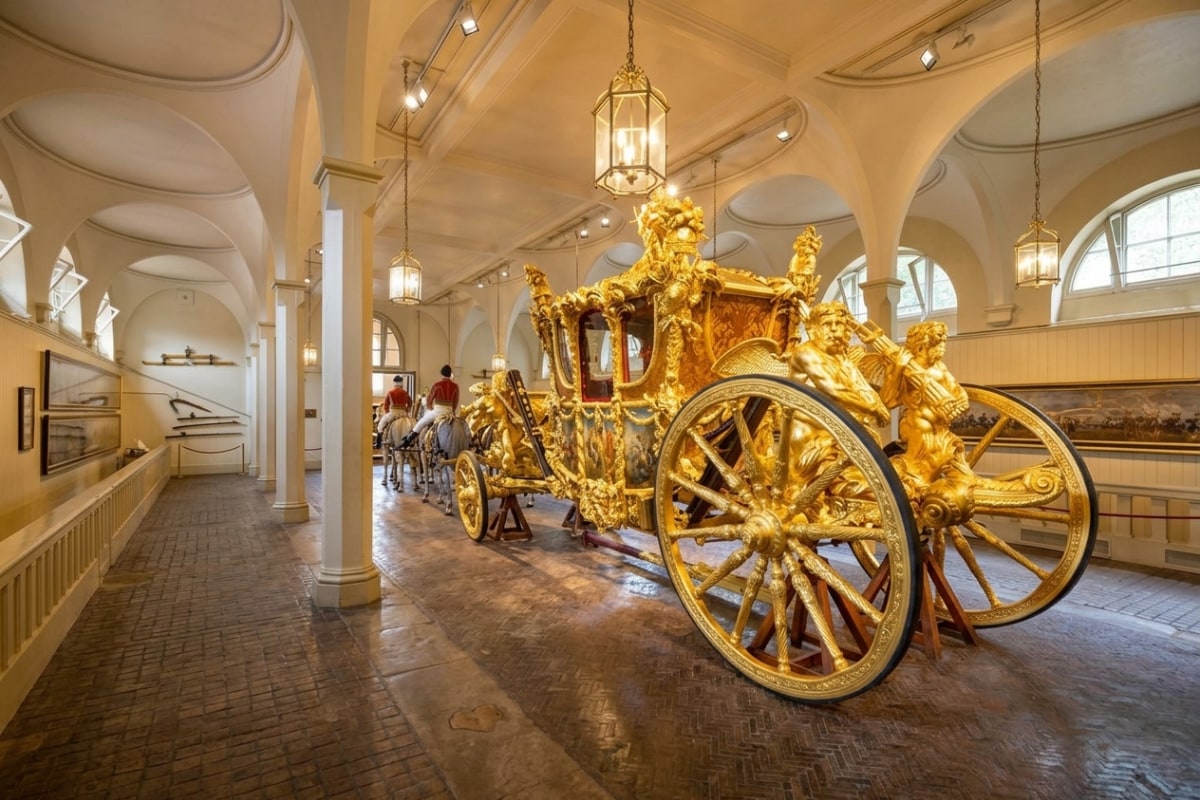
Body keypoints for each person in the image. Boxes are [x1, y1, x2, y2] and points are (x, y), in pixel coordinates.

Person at [789, 302, 890, 436]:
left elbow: (858, 384)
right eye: (826, 324)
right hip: (810, 427)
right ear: (815, 328)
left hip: (837, 420)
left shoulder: (840, 355)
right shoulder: (805, 352)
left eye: (839, 324)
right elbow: (833, 389)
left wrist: (877, 403)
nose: (834, 329)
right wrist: (872, 408)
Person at [400, 364, 459, 447]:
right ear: (450, 374)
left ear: (441, 373)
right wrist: (452, 411)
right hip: (449, 413)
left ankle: (407, 441)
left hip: (438, 412)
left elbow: (429, 400)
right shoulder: (455, 386)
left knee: (421, 422)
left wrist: (430, 408)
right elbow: (455, 402)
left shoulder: (437, 385)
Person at [374, 375, 411, 448]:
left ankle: (378, 444)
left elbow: (386, 405)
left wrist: (387, 412)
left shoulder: (390, 392)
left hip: (393, 413)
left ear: (394, 383)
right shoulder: (405, 393)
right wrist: (407, 410)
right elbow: (410, 402)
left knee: (380, 425)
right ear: (401, 383)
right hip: (403, 413)